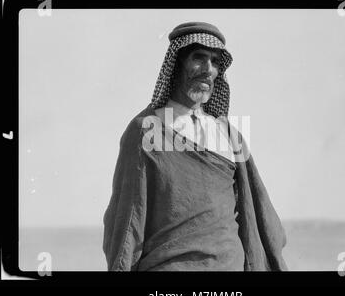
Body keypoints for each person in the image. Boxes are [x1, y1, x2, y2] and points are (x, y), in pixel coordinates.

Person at [102, 22, 287, 271]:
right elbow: (127, 225)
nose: (208, 70)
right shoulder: (145, 130)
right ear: (176, 63)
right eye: (199, 58)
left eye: (215, 61)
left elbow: (259, 219)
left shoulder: (230, 135)